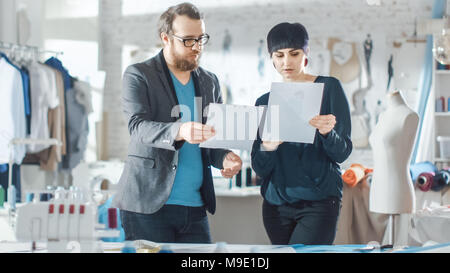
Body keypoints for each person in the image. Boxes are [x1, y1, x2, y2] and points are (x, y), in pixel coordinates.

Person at [112, 2, 242, 244]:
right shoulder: (139, 74)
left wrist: (225, 157)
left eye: (201, 38)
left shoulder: (210, 81)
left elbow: (213, 140)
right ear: (166, 38)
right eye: (188, 40)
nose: (197, 47)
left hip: (195, 207)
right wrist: (180, 130)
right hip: (147, 206)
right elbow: (138, 127)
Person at [251, 22, 352, 245]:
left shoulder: (329, 88)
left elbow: (342, 153)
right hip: (275, 207)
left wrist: (328, 133)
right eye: (279, 55)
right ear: (272, 58)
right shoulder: (264, 102)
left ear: (306, 53)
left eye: (294, 54)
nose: (286, 62)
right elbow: (259, 167)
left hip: (318, 203)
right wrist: (268, 147)